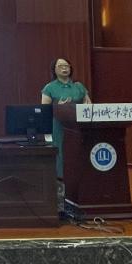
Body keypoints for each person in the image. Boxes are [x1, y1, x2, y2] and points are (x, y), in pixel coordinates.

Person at [41, 57, 90, 188]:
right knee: (61, 151)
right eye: (61, 66)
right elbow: (44, 110)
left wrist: (86, 105)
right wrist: (59, 107)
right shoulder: (49, 87)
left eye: (67, 66)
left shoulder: (79, 86)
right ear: (54, 70)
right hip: (58, 126)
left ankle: (78, 181)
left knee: (77, 151)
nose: (64, 68)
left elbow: (88, 104)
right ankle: (60, 182)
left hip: (78, 126)